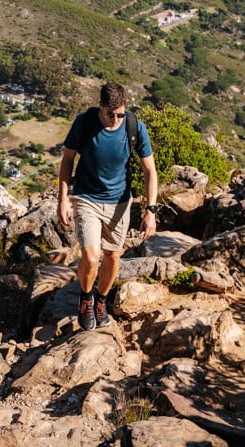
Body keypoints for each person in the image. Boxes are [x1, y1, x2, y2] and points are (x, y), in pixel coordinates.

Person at [57, 82, 158, 330]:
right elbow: (67, 161)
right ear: (100, 106)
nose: (115, 119)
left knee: (113, 256)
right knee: (91, 258)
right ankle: (86, 298)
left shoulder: (134, 127)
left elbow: (150, 171)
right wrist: (63, 199)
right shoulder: (84, 123)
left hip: (119, 202)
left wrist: (150, 210)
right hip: (86, 197)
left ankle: (101, 301)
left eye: (120, 114)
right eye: (110, 114)